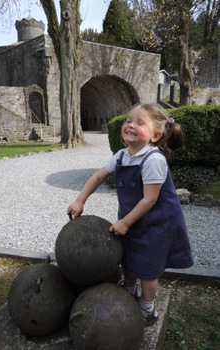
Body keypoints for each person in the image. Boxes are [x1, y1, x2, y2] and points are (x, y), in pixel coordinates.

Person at [67, 103, 194, 326]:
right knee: (128, 257)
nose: (130, 124)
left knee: (148, 268)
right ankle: (129, 289)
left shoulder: (154, 160)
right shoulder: (122, 156)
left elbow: (150, 199)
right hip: (131, 219)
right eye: (128, 120)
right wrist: (80, 200)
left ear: (155, 136)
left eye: (139, 122)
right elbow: (98, 177)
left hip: (156, 224)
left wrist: (125, 222)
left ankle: (148, 308)